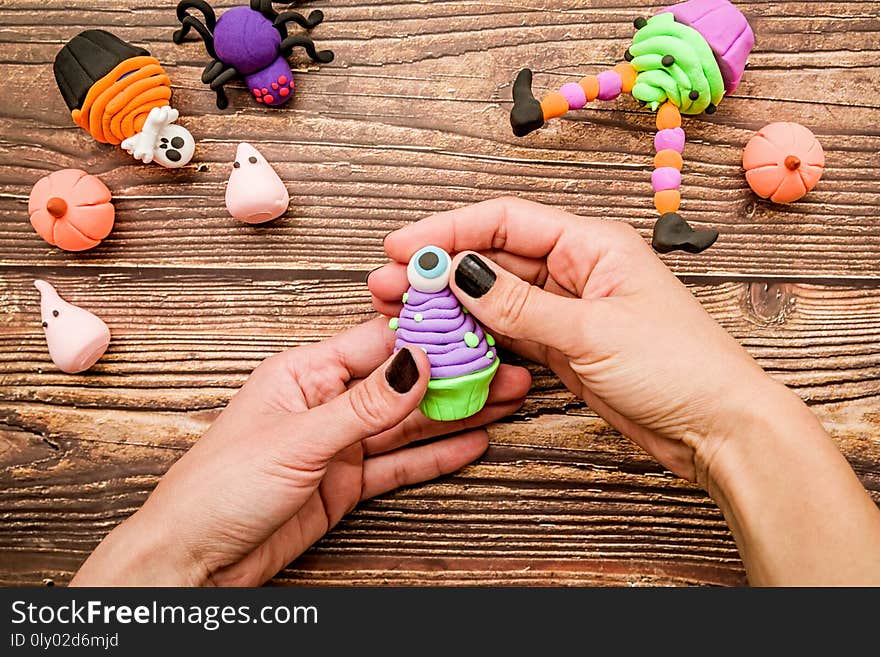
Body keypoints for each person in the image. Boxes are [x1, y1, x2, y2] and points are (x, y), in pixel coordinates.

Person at [71, 197, 880, 587]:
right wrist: (175, 555)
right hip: (451, 371)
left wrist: (167, 556)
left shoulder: (455, 312)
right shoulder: (429, 319)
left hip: (461, 371)